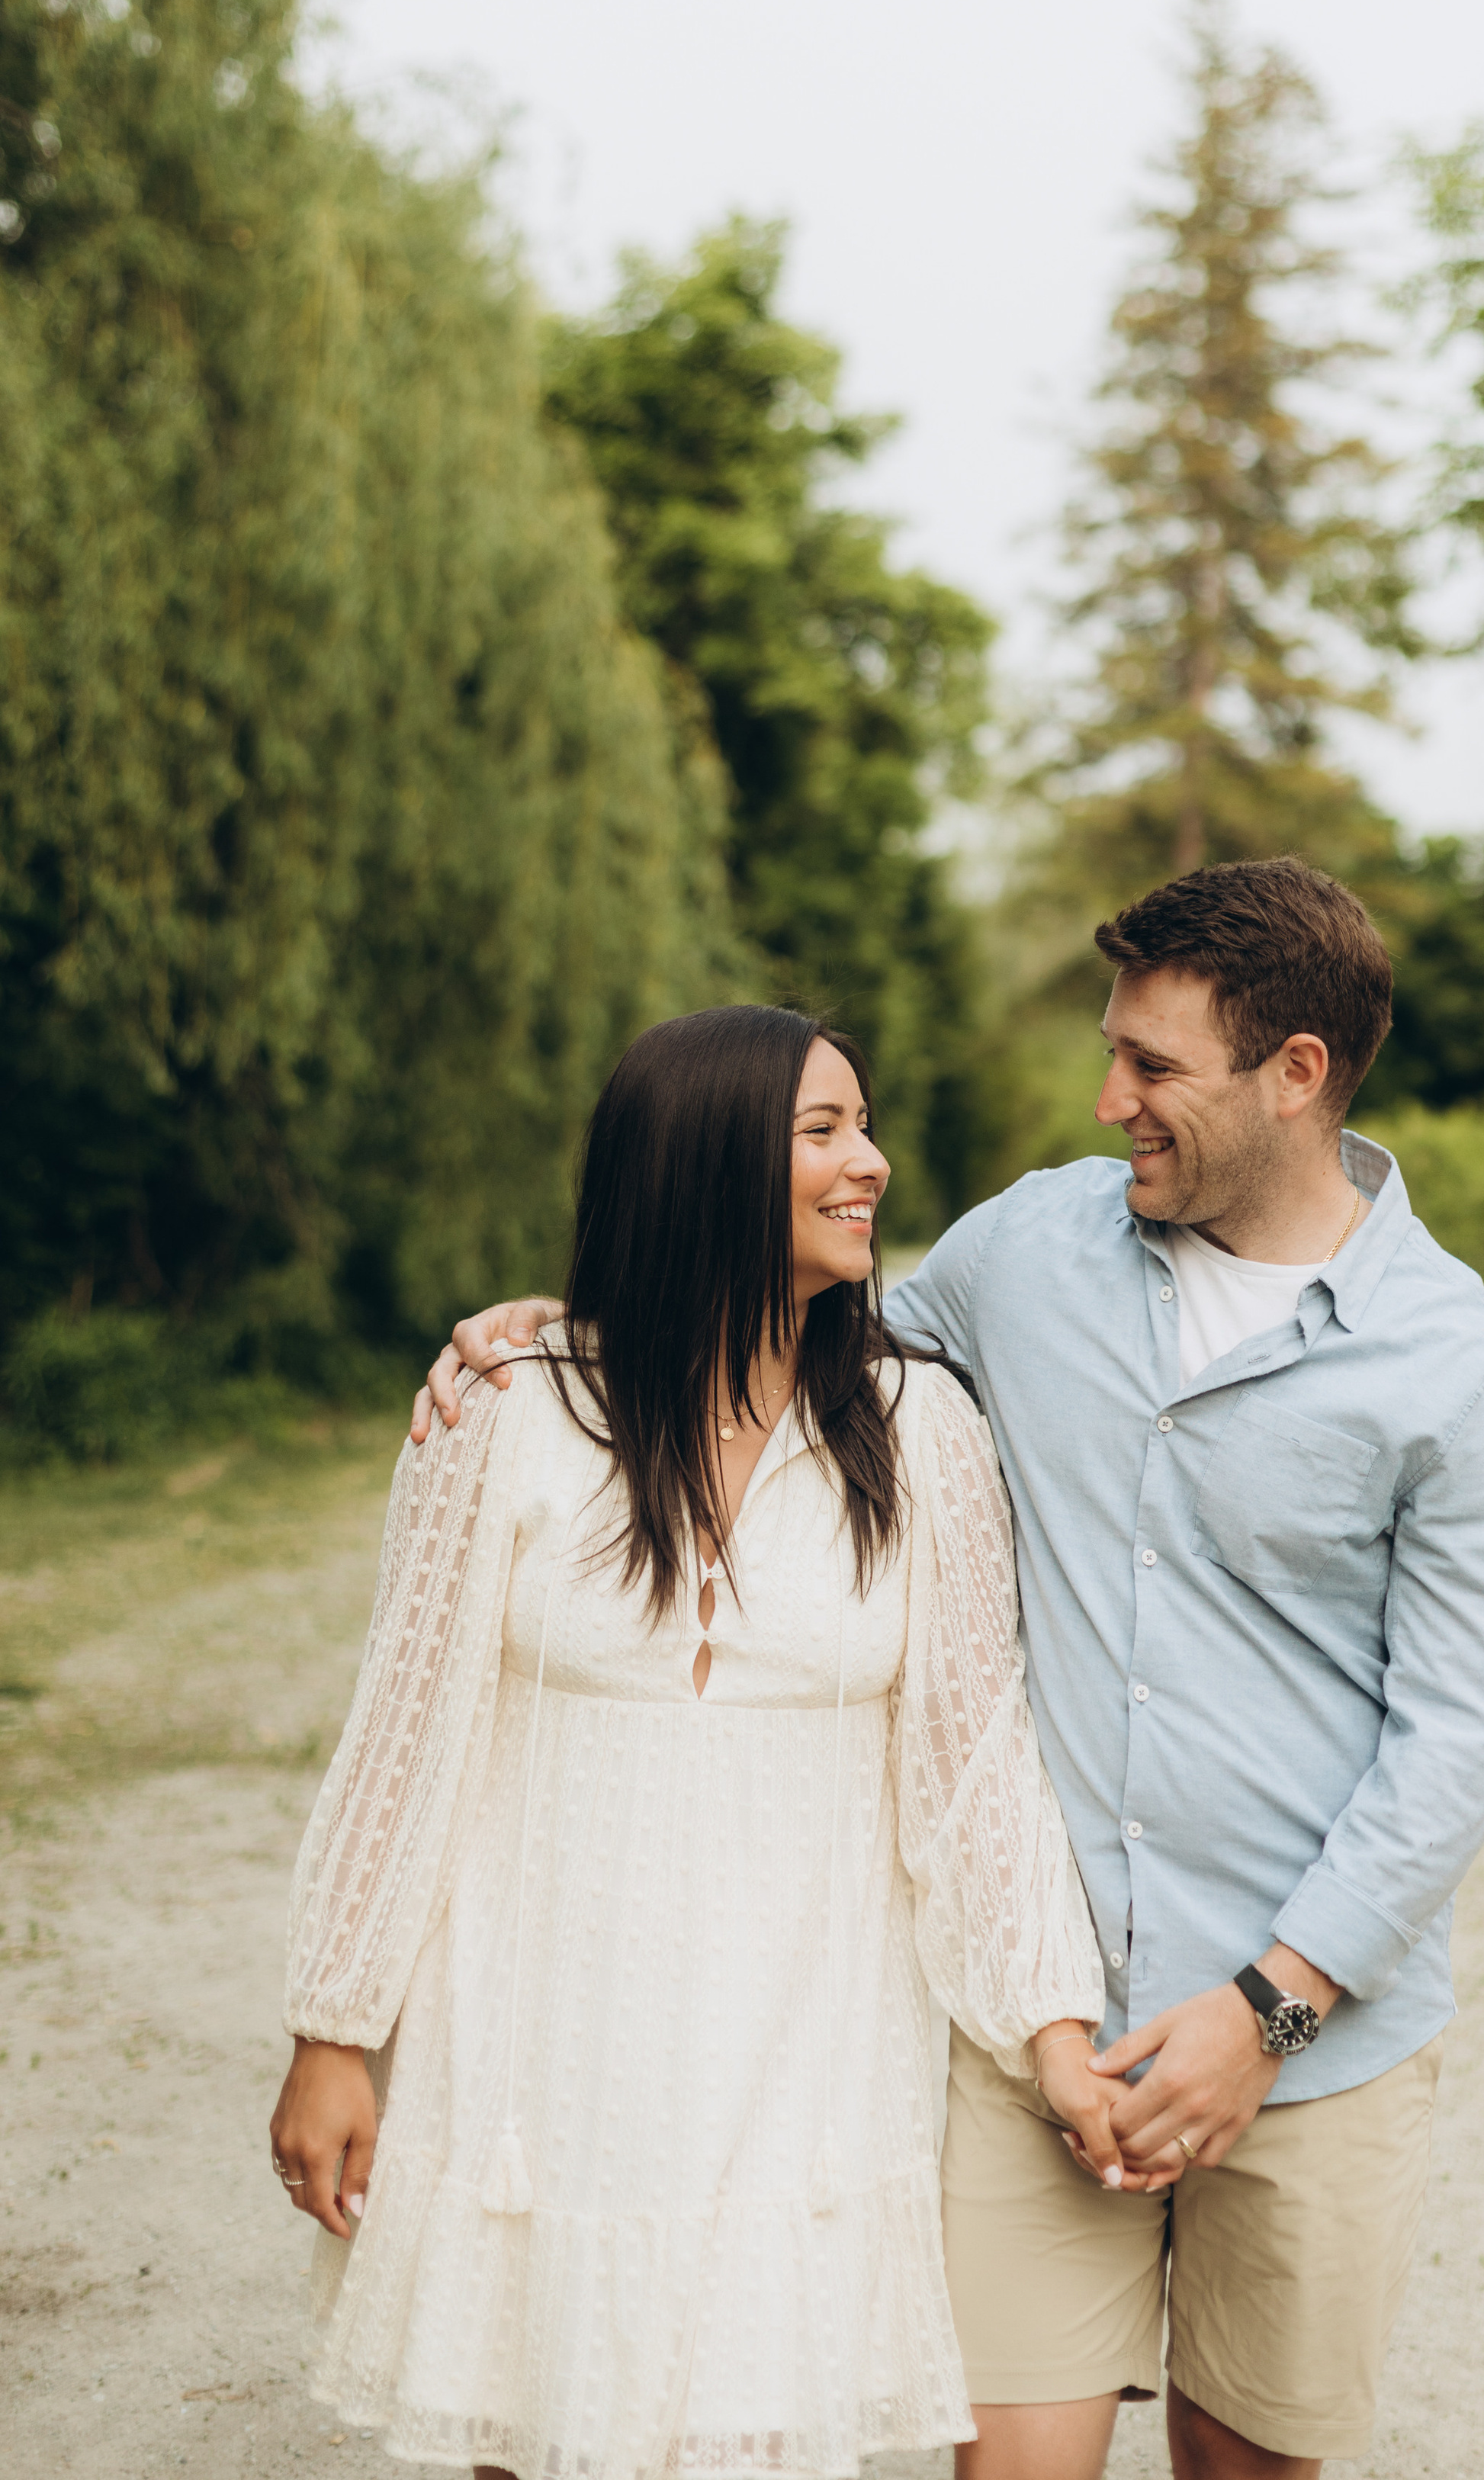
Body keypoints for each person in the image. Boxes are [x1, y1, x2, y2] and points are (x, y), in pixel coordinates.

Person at [425, 857, 1484, 2480]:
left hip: (1308, 2051)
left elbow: (1451, 1747)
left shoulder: (1461, 1375)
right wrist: (574, 1331)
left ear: (1294, 1075)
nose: (1110, 1100)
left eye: (1152, 1067)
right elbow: (800, 1338)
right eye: (1114, 1052)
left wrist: (1268, 2016)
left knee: (1249, 2465)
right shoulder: (1026, 1247)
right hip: (1035, 2027)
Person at [270, 1003, 1123, 2480]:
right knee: (538, 2430)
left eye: (861, 1123)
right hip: (546, 2054)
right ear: (701, 1162)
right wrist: (332, 2031)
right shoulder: (509, 1417)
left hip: (803, 2057)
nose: (871, 1161)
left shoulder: (920, 1434)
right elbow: (404, 1733)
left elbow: (975, 1768)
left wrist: (1052, 2034)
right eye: (822, 1130)